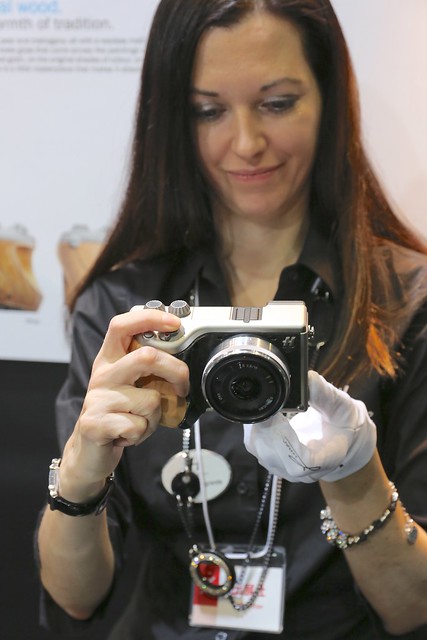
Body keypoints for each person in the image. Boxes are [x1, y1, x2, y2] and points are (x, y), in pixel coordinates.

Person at [36, 1, 427, 638]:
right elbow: (75, 600)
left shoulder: (405, 302)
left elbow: (414, 608)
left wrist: (356, 479)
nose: (246, 143)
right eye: (208, 111)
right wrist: (82, 467)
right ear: (173, 118)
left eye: (277, 103)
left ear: (328, 100)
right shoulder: (122, 307)